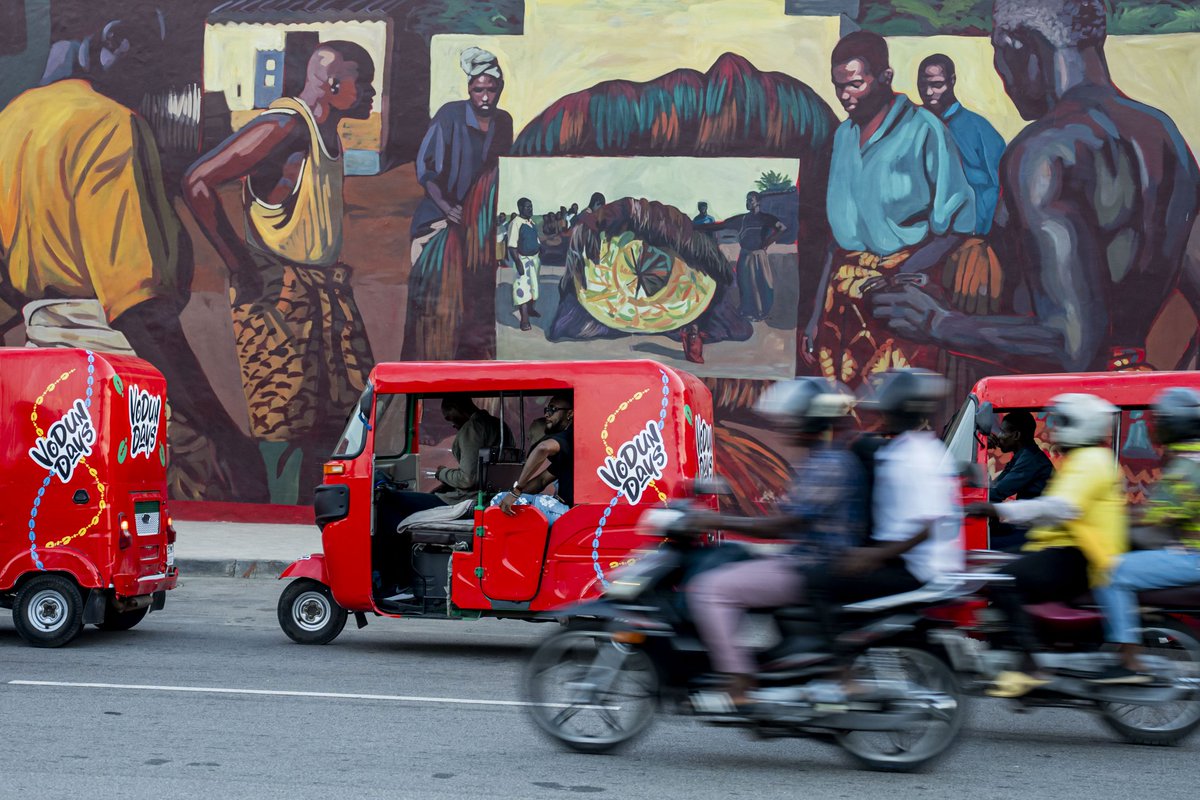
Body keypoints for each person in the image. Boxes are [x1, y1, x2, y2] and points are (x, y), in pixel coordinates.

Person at [0, 10, 266, 503]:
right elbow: (139, 309)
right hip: (121, 373)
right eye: (149, 61)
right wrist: (220, 430)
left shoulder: (11, 122)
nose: (149, 80)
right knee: (192, 493)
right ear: (115, 39)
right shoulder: (110, 124)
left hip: (44, 375)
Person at [871, 0, 1200, 373]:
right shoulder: (1164, 135)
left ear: (1015, 47)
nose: (1004, 80)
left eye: (998, 57)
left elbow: (1071, 344)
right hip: (1132, 394)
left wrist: (936, 323)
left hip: (1052, 410)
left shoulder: (1043, 152)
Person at [183, 42, 377, 503]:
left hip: (324, 286)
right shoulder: (285, 126)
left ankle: (318, 516)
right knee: (283, 416)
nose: (370, 94)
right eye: (363, 82)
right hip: (280, 289)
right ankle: (280, 520)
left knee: (345, 411)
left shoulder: (327, 132)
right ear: (333, 83)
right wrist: (239, 263)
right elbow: (198, 182)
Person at [803, 31, 980, 390]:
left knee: (894, 408)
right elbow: (835, 245)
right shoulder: (842, 137)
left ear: (885, 78)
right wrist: (815, 314)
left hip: (900, 298)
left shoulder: (926, 130)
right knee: (842, 408)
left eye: (855, 84)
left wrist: (901, 276)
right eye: (838, 86)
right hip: (843, 299)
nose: (844, 96)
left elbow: (959, 223)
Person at [685, 378, 863, 709]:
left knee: (711, 588)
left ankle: (738, 683)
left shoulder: (829, 465)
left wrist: (716, 520)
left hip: (812, 565)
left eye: (792, 421)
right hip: (808, 557)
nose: (784, 428)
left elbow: (784, 525)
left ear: (809, 423)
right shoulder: (823, 460)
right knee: (733, 558)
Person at [967, 393, 1128, 697]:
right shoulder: (1080, 460)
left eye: (1063, 422)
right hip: (1060, 545)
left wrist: (998, 510)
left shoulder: (1090, 462)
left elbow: (1059, 507)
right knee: (992, 563)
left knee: (1006, 580)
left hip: (1078, 553)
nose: (1054, 430)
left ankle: (1031, 665)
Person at [1093, 388, 1200, 684]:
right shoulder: (1190, 459)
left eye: (1160, 420)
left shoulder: (1186, 469)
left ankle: (1129, 659)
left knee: (1110, 573)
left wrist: (1108, 525)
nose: (1154, 427)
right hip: (1187, 551)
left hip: (1192, 557)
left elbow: (1152, 525)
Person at [409, 46, 514, 266]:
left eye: (491, 89)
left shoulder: (503, 122)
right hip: (440, 216)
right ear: (469, 89)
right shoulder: (449, 116)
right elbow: (427, 172)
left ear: (500, 88)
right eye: (478, 90)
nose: (485, 97)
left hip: (481, 220)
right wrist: (449, 208)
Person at [917, 54, 1006, 235]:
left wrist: (981, 230)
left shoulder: (979, 129)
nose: (928, 93)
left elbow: (1000, 187)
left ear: (952, 81)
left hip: (973, 230)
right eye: (922, 85)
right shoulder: (912, 126)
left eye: (936, 84)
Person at [699, 191, 786, 321]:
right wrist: (696, 227)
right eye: (747, 200)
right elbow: (721, 225)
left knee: (763, 284)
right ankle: (747, 311)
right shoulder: (742, 219)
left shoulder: (766, 218)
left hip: (759, 256)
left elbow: (782, 228)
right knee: (745, 284)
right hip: (745, 255)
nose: (748, 203)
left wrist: (767, 243)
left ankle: (762, 312)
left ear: (758, 202)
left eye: (750, 200)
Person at [493, 395, 574, 523]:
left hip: (569, 512)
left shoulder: (570, 435)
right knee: (504, 499)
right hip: (567, 510)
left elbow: (543, 448)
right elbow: (541, 481)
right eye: (546, 410)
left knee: (497, 500)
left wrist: (516, 491)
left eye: (552, 409)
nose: (547, 414)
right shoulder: (572, 446)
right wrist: (511, 494)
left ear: (569, 413)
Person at [987, 410, 1055, 550]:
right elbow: (994, 487)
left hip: (1037, 532)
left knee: (986, 545)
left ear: (1016, 435)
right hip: (1027, 526)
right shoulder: (1022, 456)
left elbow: (997, 492)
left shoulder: (1030, 459)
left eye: (1002, 432)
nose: (999, 436)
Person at [432, 395, 513, 503]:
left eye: (448, 417)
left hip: (470, 500)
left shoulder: (473, 428)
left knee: (407, 499)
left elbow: (467, 479)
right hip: (495, 495)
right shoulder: (501, 425)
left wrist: (441, 473)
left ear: (455, 407)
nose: (451, 423)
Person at [507, 197, 542, 331]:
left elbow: (536, 240)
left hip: (534, 260)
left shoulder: (531, 223)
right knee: (522, 290)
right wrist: (518, 263)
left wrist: (540, 247)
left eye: (531, 206)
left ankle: (531, 309)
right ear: (520, 208)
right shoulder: (516, 223)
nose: (530, 209)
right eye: (527, 207)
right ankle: (524, 319)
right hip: (523, 261)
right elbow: (512, 246)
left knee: (533, 287)